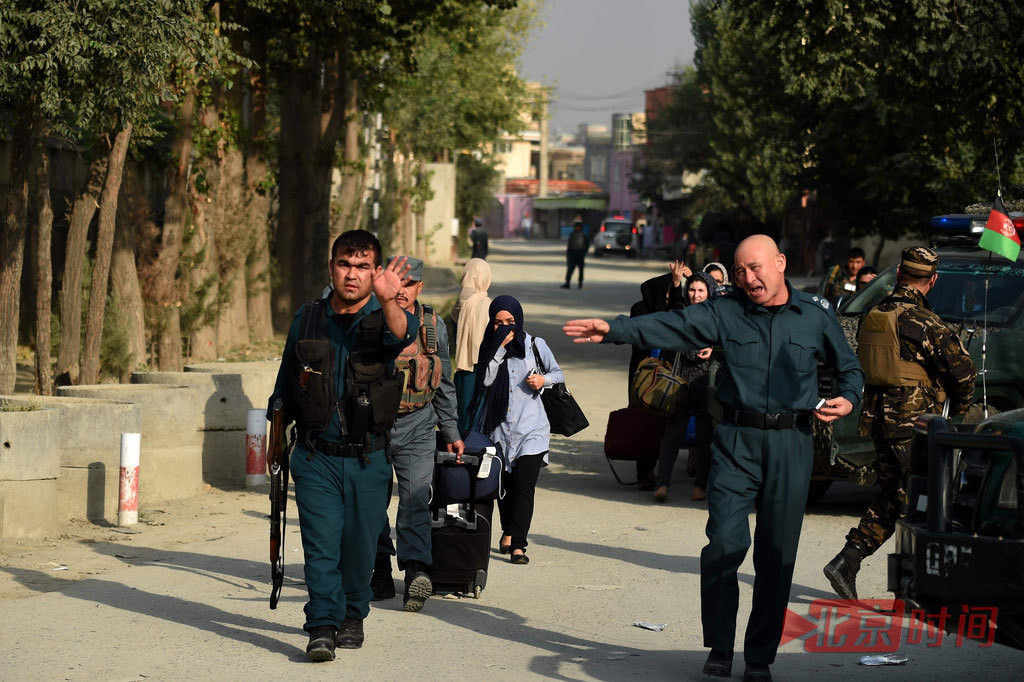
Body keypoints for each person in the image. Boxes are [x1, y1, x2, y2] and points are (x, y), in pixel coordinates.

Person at [564, 235, 864, 681]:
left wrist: (850, 397)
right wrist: (614, 329)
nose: (748, 277)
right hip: (736, 440)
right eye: (740, 270)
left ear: (780, 263)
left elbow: (850, 368)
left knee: (777, 556)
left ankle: (759, 657)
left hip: (791, 443)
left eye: (756, 267)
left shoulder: (814, 314)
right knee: (724, 544)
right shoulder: (726, 311)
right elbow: (673, 325)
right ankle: (721, 646)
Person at [267, 230, 418, 662]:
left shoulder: (384, 316)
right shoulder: (307, 318)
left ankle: (353, 612)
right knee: (320, 547)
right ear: (331, 267)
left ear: (375, 271)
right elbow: (283, 388)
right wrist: (275, 448)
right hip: (316, 457)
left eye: (363, 266)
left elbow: (402, 335)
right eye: (345, 265)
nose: (352, 274)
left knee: (359, 548)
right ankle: (322, 624)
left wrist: (389, 300)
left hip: (368, 457)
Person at [823, 247, 976, 601]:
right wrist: (956, 411)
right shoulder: (926, 322)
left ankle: (847, 560)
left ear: (898, 275)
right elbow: (964, 373)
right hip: (913, 426)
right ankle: (915, 587)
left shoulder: (874, 314)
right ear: (932, 280)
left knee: (893, 496)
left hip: (879, 421)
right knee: (927, 501)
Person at [369, 257, 464, 613]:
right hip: (373, 428)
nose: (402, 291)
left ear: (419, 287)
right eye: (397, 282)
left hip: (419, 425)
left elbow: (445, 380)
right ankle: (378, 567)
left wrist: (451, 429)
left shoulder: (432, 326)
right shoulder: (372, 319)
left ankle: (415, 570)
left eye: (409, 284)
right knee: (371, 502)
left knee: (415, 500)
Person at [473, 295, 563, 565]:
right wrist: (499, 349)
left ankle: (518, 545)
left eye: (510, 321)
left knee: (524, 487)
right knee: (504, 488)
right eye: (498, 323)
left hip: (532, 429)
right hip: (499, 431)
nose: (505, 328)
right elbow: (485, 380)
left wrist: (543, 380)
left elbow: (558, 373)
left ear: (519, 320)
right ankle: (508, 530)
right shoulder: (489, 347)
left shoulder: (536, 344)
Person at [652, 271, 718, 503]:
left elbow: (727, 343)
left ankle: (700, 486)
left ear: (709, 293)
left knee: (704, 439)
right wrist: (676, 283)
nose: (695, 295)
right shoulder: (681, 314)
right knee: (672, 436)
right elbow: (668, 315)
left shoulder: (716, 317)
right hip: (679, 383)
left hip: (705, 383)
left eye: (700, 290)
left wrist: (713, 349)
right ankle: (662, 484)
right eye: (692, 289)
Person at [628, 261, 692, 489]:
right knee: (644, 424)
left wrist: (686, 282)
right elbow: (655, 329)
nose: (667, 298)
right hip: (644, 377)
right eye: (665, 293)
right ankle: (644, 473)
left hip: (669, 376)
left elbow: (680, 315)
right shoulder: (640, 310)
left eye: (670, 294)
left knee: (665, 425)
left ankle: (662, 474)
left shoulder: (673, 309)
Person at [452, 258, 492, 435]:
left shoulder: (460, 302)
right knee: (478, 416)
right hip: (482, 370)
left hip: (462, 367)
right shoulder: (487, 305)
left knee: (461, 414)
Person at [562, 221, 589, 289]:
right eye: (575, 227)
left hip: (580, 254)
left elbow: (587, 245)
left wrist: (584, 253)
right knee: (570, 269)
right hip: (572, 254)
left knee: (581, 270)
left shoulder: (583, 235)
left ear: (580, 227)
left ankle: (580, 283)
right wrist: (568, 254)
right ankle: (567, 283)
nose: (576, 228)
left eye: (577, 227)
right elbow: (569, 245)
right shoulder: (572, 234)